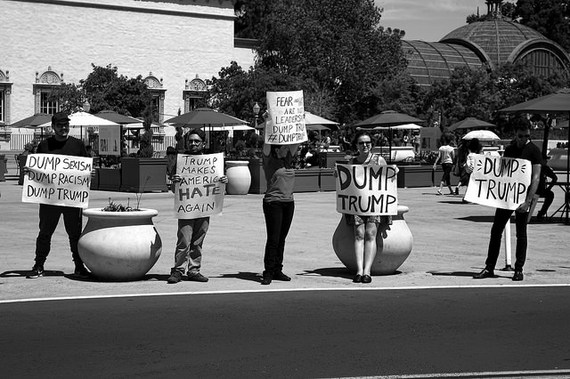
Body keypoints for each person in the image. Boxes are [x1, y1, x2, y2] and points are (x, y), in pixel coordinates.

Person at [473, 119, 543, 281]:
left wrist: (528, 201)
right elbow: (502, 174)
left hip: (523, 198)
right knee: (496, 231)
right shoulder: (510, 149)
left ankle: (519, 269)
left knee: (521, 234)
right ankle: (489, 267)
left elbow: (536, 177)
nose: (524, 139)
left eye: (527, 136)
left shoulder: (533, 150)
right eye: (521, 136)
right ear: (515, 134)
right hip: (507, 197)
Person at [26, 112, 91, 279]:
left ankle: (78, 265)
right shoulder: (44, 146)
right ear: (53, 127)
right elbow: (38, 169)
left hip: (71, 198)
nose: (64, 128)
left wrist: (91, 173)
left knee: (75, 234)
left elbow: (85, 169)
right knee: (45, 232)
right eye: (60, 125)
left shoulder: (78, 145)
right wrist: (31, 172)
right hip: (49, 199)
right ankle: (39, 265)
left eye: (66, 125)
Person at [166, 128, 228, 284]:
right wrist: (176, 181)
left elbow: (218, 185)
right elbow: (174, 190)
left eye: (196, 141)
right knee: (184, 240)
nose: (193, 144)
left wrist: (223, 181)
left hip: (204, 207)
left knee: (198, 241)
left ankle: (194, 270)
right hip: (186, 207)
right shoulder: (180, 162)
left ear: (203, 143)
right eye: (191, 141)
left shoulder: (212, 162)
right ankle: (178, 270)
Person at [337, 131, 392, 284]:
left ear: (371, 144)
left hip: (374, 205)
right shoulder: (351, 162)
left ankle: (367, 271)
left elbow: (388, 183)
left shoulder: (379, 160)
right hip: (357, 206)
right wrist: (338, 175)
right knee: (359, 234)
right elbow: (345, 183)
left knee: (370, 233)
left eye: (367, 142)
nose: (365, 145)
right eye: (361, 143)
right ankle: (359, 270)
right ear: (356, 145)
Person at [260, 142, 299, 285]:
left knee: (282, 238)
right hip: (273, 202)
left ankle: (277, 269)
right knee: (273, 238)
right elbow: (266, 145)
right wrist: (269, 125)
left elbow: (297, 141)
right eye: (284, 147)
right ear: (276, 149)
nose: (287, 149)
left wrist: (298, 123)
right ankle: (268, 271)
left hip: (289, 202)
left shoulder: (287, 159)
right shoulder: (269, 161)